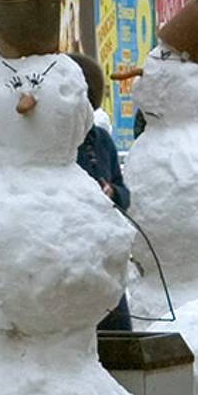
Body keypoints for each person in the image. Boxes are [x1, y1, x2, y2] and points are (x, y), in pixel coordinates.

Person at [69, 53, 132, 331]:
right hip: (71, 250)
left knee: (115, 325)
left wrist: (112, 192)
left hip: (103, 247)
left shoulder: (102, 140)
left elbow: (124, 193)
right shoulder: (61, 144)